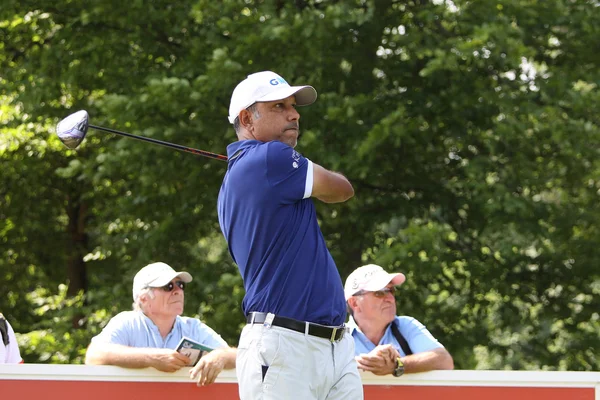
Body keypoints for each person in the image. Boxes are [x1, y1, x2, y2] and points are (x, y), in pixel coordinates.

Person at [218, 71, 362, 400]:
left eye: (293, 106)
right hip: (285, 345)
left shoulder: (252, 167)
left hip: (333, 345)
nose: (294, 114)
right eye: (279, 106)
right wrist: (303, 163)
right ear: (246, 119)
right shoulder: (272, 158)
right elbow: (342, 189)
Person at [85, 262, 236, 386]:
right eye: (168, 287)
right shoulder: (127, 322)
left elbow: (240, 356)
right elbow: (93, 355)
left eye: (180, 285)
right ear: (144, 299)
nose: (178, 291)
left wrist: (220, 356)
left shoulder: (193, 327)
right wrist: (150, 358)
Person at [344, 264, 454, 376]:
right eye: (380, 292)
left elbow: (444, 360)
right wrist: (367, 363)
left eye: (391, 290)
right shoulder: (337, 338)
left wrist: (397, 365)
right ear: (354, 303)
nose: (391, 299)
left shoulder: (405, 326)